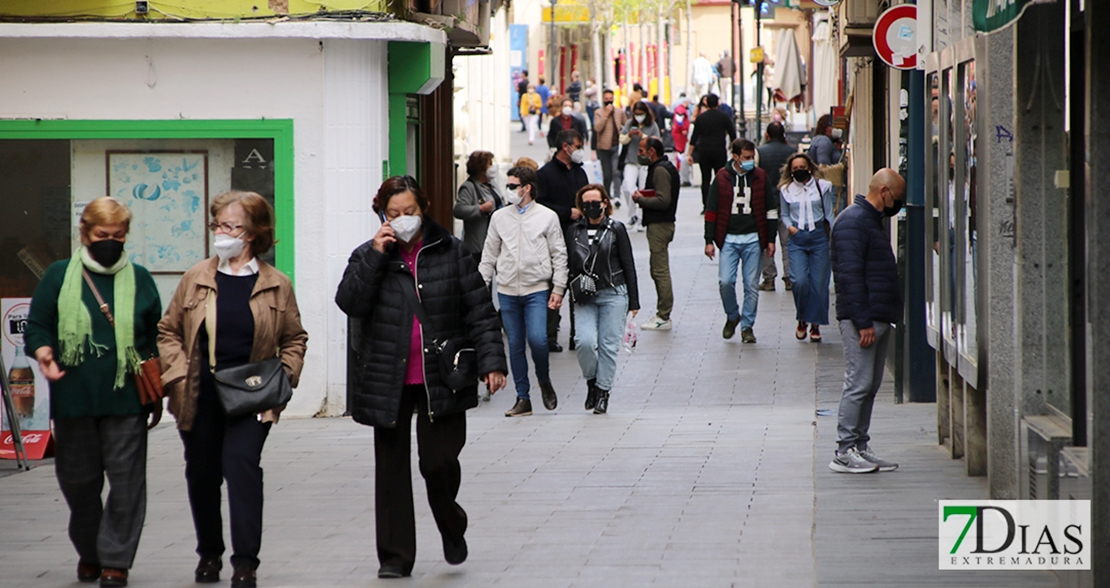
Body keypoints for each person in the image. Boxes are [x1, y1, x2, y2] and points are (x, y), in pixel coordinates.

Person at [335, 176, 508, 577]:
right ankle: (395, 557)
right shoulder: (368, 254)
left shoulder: (451, 251)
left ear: (423, 208)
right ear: (382, 215)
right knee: (391, 470)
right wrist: (377, 256)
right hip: (387, 379)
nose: (403, 220)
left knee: (438, 463)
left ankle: (451, 523)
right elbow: (350, 302)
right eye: (393, 214)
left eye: (409, 212)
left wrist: (492, 362)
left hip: (441, 377)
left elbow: (479, 310)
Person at [158, 191, 308, 588]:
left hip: (250, 397)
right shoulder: (196, 277)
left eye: (231, 226)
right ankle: (209, 554)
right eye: (218, 225)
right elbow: (168, 331)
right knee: (203, 475)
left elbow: (294, 339)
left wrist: (282, 382)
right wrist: (174, 376)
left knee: (242, 469)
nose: (221, 233)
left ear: (254, 233)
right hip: (199, 394)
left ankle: (246, 563)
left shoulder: (276, 284)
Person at [24, 197, 162, 588]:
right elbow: (37, 325)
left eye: (118, 236)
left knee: (127, 482)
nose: (110, 243)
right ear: (84, 234)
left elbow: (154, 335)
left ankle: (116, 560)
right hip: (74, 399)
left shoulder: (140, 278)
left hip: (126, 399)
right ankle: (90, 550)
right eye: (102, 235)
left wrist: (156, 377)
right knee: (78, 483)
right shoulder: (57, 275)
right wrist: (44, 351)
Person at [828, 169, 905, 474]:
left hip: (877, 315)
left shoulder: (868, 221)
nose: (897, 205)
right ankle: (844, 451)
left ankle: (859, 445)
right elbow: (849, 276)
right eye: (896, 199)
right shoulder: (853, 221)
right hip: (864, 318)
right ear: (884, 192)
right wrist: (862, 321)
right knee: (858, 383)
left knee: (870, 385)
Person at [479, 166, 568, 417]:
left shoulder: (547, 217)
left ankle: (544, 379)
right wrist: (480, 288)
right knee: (515, 344)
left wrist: (558, 287)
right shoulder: (499, 217)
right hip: (507, 291)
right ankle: (523, 398)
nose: (508, 190)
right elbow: (489, 256)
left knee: (538, 340)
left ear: (526, 188)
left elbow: (559, 254)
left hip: (536, 289)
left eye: (512, 185)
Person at [567, 184, 639, 415]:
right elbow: (568, 264)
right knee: (584, 341)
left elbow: (628, 264)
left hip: (614, 293)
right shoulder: (574, 230)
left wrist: (634, 302)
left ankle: (602, 393)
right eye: (586, 204)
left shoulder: (616, 228)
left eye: (595, 203)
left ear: (605, 203)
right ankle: (592, 381)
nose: (591, 207)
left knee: (608, 346)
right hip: (584, 295)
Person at [704, 139, 777, 343]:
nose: (750, 161)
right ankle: (733, 315)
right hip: (728, 239)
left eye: (752, 157)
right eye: (746, 158)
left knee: (751, 285)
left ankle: (747, 326)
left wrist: (770, 239)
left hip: (754, 239)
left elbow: (771, 210)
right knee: (725, 281)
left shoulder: (760, 177)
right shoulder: (722, 177)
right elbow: (711, 210)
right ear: (735, 156)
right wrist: (709, 240)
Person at [536, 129, 589, 352]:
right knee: (554, 286)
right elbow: (540, 204)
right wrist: (567, 212)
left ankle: (577, 335)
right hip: (556, 235)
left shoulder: (579, 171)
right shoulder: (545, 173)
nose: (580, 150)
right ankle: (549, 336)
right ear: (565, 147)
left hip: (579, 235)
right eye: (577, 146)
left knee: (579, 287)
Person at [779, 153, 836, 343]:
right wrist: (790, 227)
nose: (799, 171)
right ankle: (802, 317)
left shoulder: (822, 186)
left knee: (819, 284)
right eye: (795, 169)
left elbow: (829, 213)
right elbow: (784, 214)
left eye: (802, 167)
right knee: (799, 281)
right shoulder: (786, 190)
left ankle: (815, 325)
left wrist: (836, 236)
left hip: (819, 237)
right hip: (798, 239)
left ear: (809, 167)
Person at [632, 137, 679, 332]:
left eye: (642, 150)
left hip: (660, 225)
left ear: (652, 151)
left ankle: (663, 315)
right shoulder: (662, 167)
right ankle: (663, 313)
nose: (639, 154)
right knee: (657, 269)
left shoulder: (660, 169)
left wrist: (640, 199)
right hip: (659, 224)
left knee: (660, 270)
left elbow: (663, 200)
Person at [757, 121, 797, 291]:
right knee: (788, 242)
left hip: (767, 202)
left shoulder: (760, 152)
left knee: (767, 241)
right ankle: (789, 277)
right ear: (783, 136)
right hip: (787, 201)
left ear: (767, 135)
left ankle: (769, 278)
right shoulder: (792, 153)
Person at [687, 94, 737, 214]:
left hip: (704, 151)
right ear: (717, 103)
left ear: (707, 104)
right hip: (719, 150)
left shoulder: (701, 118)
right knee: (721, 178)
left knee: (705, 179)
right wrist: (734, 150)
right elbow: (733, 135)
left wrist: (689, 154)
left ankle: (707, 206)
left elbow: (694, 138)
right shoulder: (724, 117)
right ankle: (722, 204)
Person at [453, 150, 504, 258]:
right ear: (481, 169)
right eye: (490, 164)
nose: (492, 167)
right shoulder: (468, 187)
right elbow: (458, 210)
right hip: (479, 245)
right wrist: (481, 208)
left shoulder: (491, 184)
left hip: (496, 240)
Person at [618, 101, 661, 227]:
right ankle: (633, 215)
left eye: (640, 114)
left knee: (644, 189)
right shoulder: (629, 123)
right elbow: (622, 139)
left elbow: (657, 141)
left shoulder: (652, 125)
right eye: (636, 114)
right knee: (627, 187)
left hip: (646, 162)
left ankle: (642, 217)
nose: (638, 116)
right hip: (631, 159)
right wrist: (630, 135)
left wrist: (643, 136)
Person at [593, 88, 628, 199]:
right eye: (606, 99)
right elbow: (597, 128)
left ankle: (617, 195)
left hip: (616, 146)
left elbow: (626, 124)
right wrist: (606, 114)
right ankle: (607, 195)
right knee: (607, 174)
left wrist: (624, 133)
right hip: (603, 147)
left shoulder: (619, 112)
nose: (608, 101)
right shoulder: (598, 112)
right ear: (603, 100)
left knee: (616, 172)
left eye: (610, 99)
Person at [671, 95, 692, 186]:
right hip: (679, 134)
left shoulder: (680, 109)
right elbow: (679, 121)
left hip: (680, 133)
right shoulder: (681, 110)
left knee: (681, 150)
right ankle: (679, 167)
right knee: (680, 150)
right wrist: (683, 129)